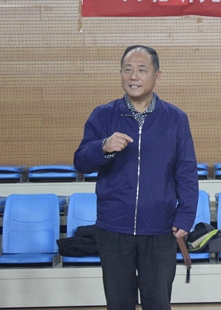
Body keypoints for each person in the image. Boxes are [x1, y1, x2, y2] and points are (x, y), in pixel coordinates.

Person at [74, 45, 199, 310]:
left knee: (158, 302)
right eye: (127, 70)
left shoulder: (175, 118)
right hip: (113, 227)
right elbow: (81, 162)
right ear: (120, 74)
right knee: (118, 303)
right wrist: (103, 147)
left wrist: (186, 216)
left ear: (157, 75)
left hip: (160, 229)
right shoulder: (103, 115)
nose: (134, 76)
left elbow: (186, 172)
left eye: (142, 70)